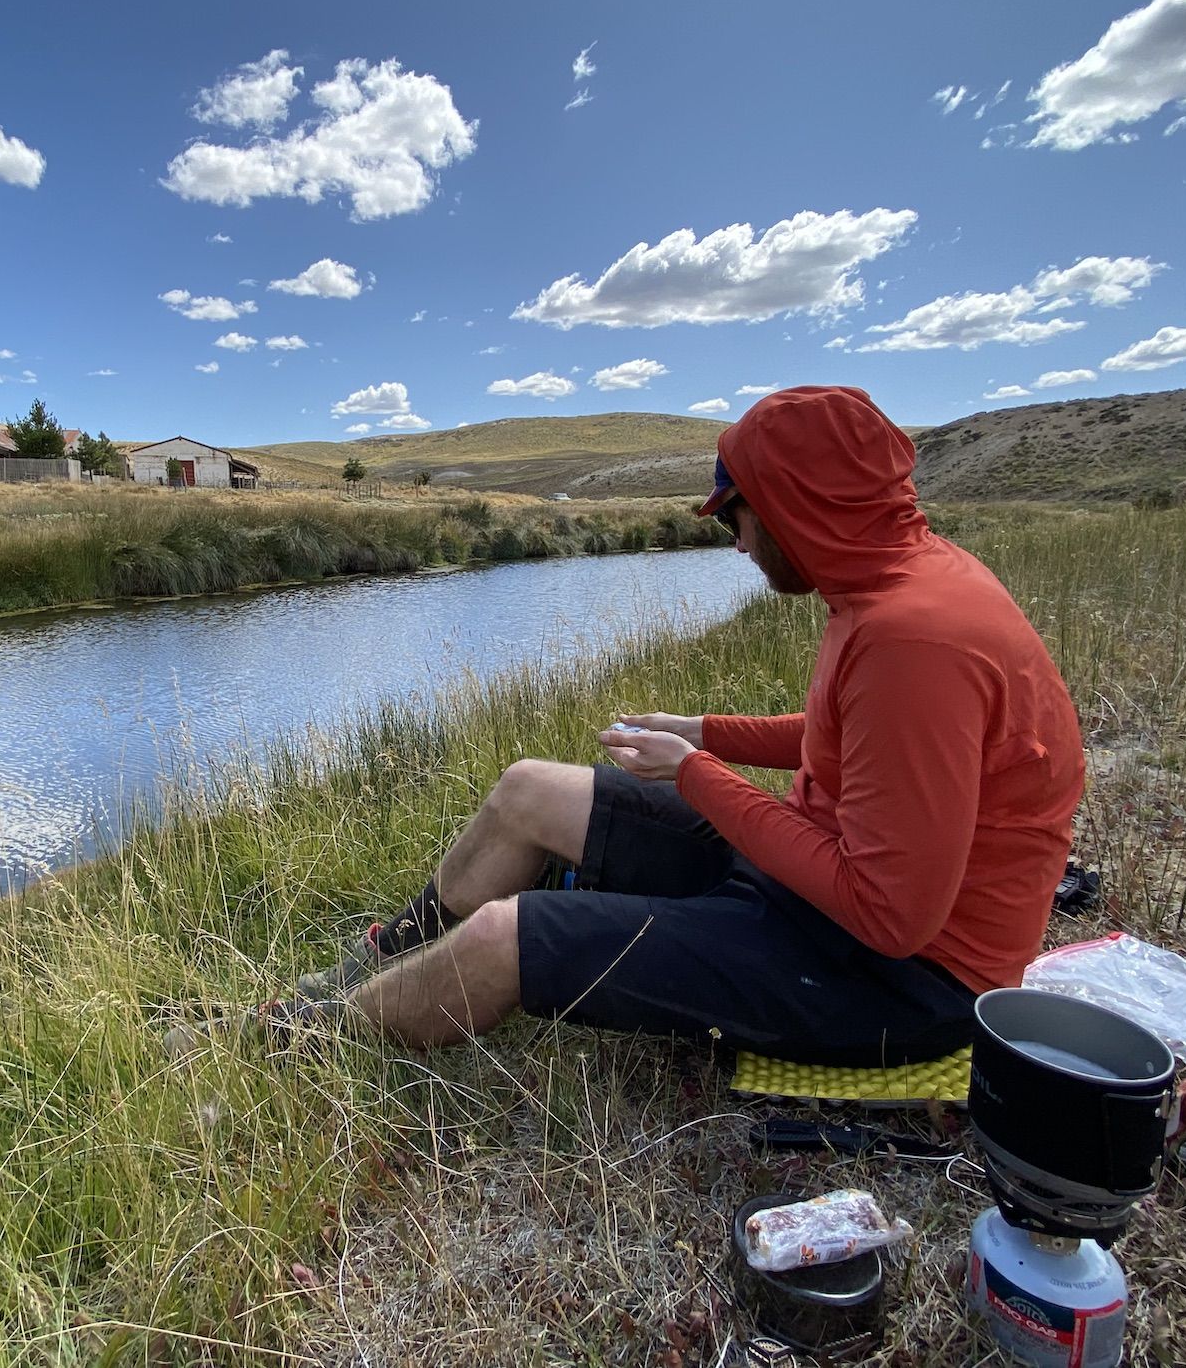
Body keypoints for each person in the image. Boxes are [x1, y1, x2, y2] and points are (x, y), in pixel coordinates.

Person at [175, 385, 1085, 1065]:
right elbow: (851, 744)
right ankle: (384, 956)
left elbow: (891, 916)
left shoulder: (913, 637)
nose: (733, 542)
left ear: (797, 505)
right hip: (815, 888)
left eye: (738, 516)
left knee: (508, 936)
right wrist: (708, 731)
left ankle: (307, 1047)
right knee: (530, 787)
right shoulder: (892, 583)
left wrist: (693, 774)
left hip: (897, 982)